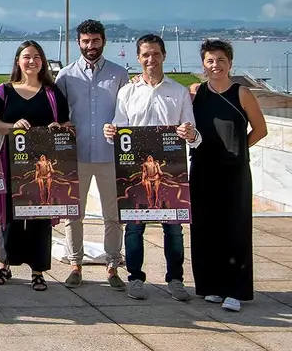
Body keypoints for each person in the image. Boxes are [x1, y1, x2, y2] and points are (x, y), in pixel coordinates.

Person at [102, 34, 200, 302]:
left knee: (174, 229)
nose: (151, 59)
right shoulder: (127, 92)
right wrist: (109, 130)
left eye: (155, 54)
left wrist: (189, 133)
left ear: (164, 56)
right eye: (145, 54)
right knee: (134, 228)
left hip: (171, 170)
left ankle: (176, 279)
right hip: (135, 171)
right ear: (138, 58)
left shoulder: (178, 92)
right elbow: (117, 130)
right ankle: (135, 278)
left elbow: (194, 134)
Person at [188, 39, 267, 312]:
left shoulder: (241, 93)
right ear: (203, 64)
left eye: (221, 60)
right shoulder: (197, 93)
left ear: (230, 63)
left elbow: (260, 129)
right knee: (205, 228)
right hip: (202, 168)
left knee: (234, 228)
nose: (215, 65)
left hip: (234, 172)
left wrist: (237, 147)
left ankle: (235, 289)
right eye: (210, 60)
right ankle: (211, 285)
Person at [0, 40, 70, 292]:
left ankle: (38, 270)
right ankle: (4, 265)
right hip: (11, 160)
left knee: (40, 214)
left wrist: (58, 128)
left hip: (43, 164)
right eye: (26, 56)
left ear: (42, 61)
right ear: (17, 61)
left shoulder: (53, 93)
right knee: (10, 216)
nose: (32, 61)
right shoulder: (3, 91)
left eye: (36, 56)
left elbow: (66, 124)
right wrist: (12, 126)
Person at [55, 19, 129, 290]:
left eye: (95, 41)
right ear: (78, 43)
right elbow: (59, 115)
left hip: (110, 155)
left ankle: (113, 265)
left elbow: (127, 113)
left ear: (103, 41)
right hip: (76, 155)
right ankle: (75, 264)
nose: (91, 46)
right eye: (86, 41)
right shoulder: (66, 75)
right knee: (74, 213)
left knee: (114, 214)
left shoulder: (119, 74)